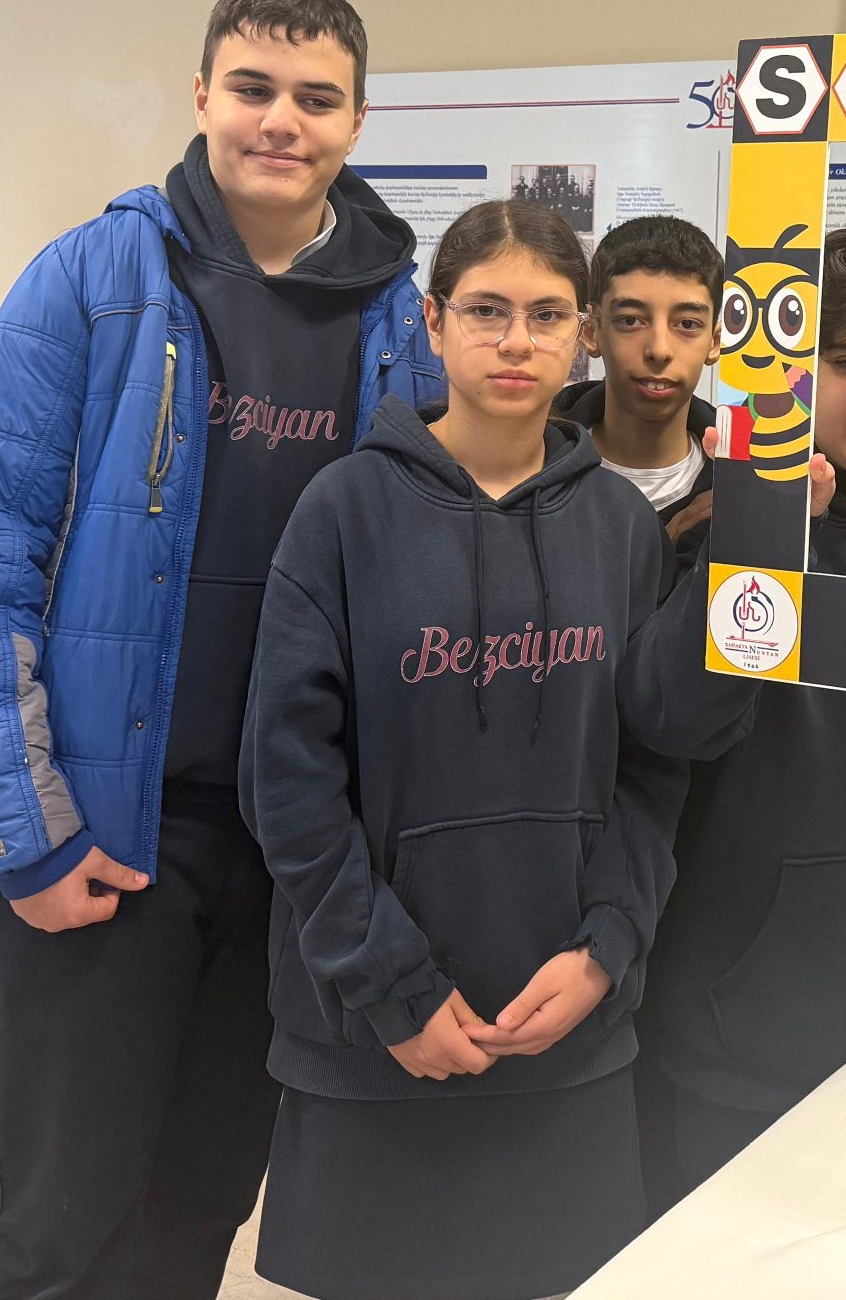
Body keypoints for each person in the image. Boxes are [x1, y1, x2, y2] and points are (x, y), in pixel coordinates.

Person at [0, 0, 441, 1300]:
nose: (281, 121)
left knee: (199, 1208)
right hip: (108, 837)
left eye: (315, 98)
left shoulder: (403, 318)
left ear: (358, 120)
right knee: (58, 1224)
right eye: (252, 88)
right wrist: (21, 829)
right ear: (202, 95)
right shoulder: (90, 280)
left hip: (294, 852)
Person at [242, 200, 683, 1300]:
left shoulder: (623, 528)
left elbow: (651, 769)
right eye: (486, 311)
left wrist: (607, 950)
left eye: (547, 315)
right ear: (434, 323)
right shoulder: (342, 509)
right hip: (373, 1035)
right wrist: (391, 987)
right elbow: (287, 782)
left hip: (566, 1029)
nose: (516, 341)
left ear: (584, 333)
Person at [635, 230, 846, 1204]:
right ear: (795, 371)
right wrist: (767, 535)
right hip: (734, 1034)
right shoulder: (712, 518)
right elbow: (668, 720)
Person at [556, 213, 721, 575]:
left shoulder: (742, 485)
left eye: (687, 324)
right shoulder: (536, 466)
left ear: (715, 342)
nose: (659, 350)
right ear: (592, 332)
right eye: (631, 320)